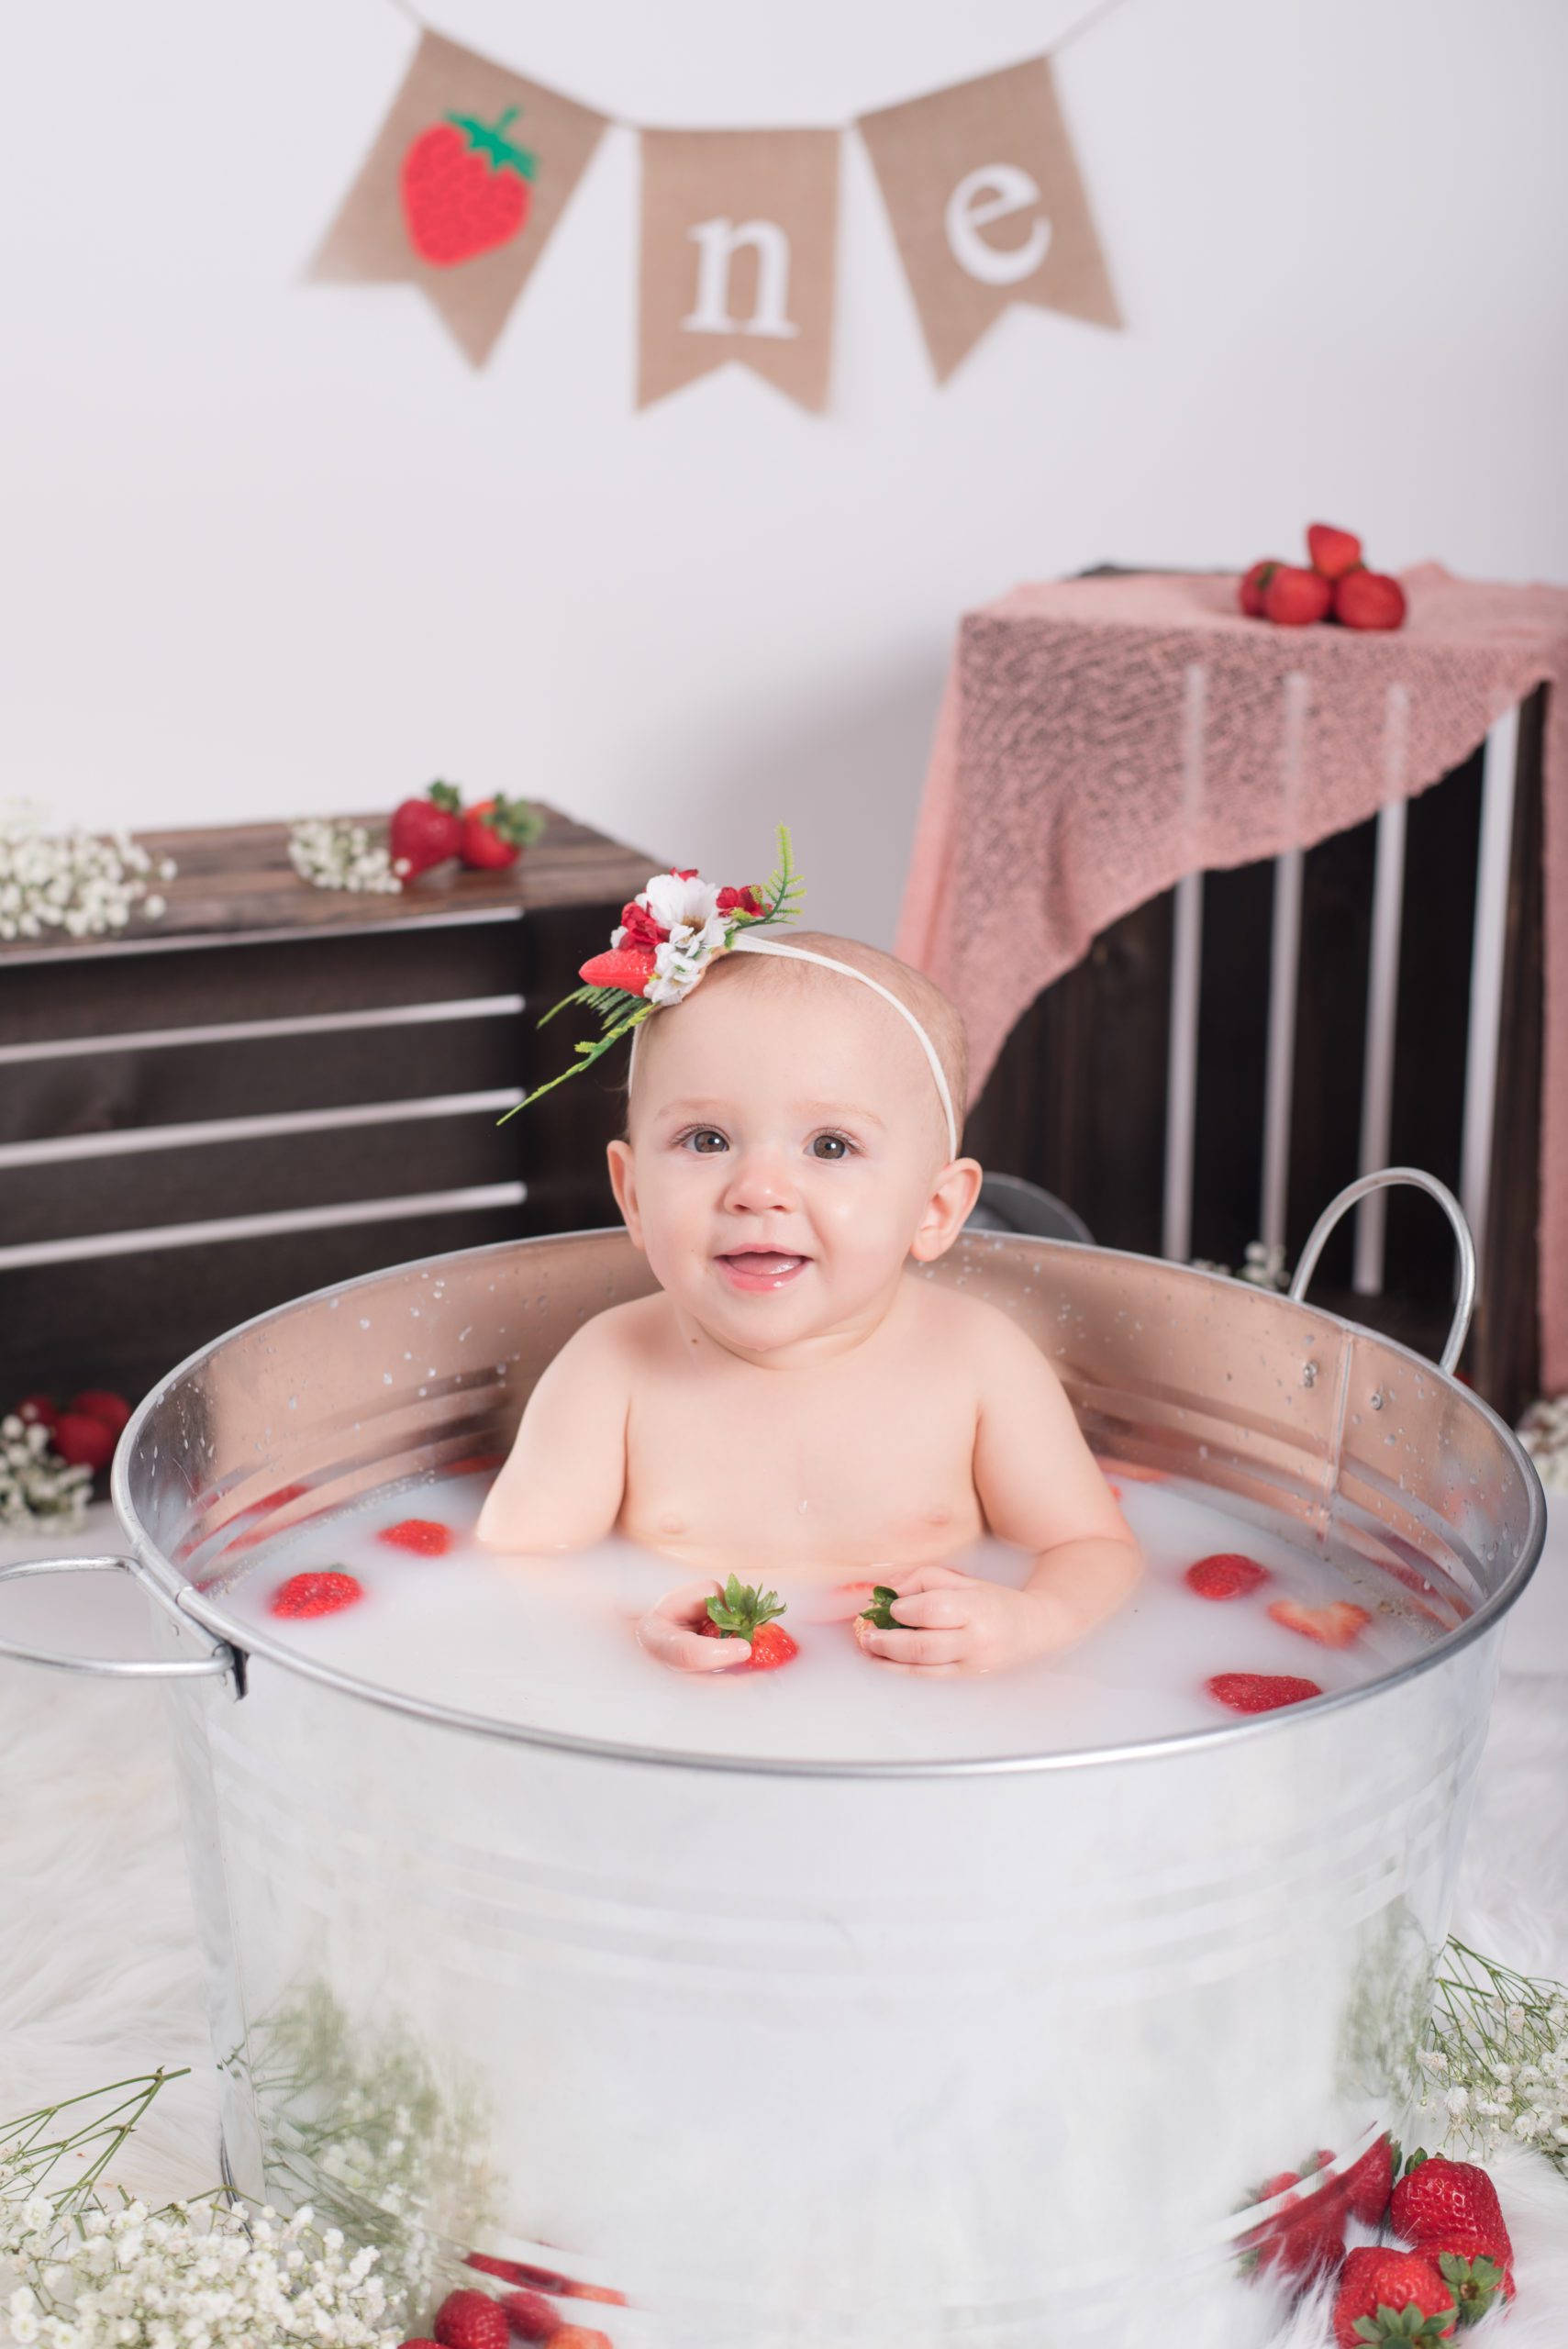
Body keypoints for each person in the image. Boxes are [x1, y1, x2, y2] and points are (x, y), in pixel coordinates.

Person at [476, 848, 1140, 1675]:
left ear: (934, 1211)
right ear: (634, 1193)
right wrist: (626, 1626)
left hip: (928, 1720)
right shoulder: (611, 1369)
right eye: (705, 1140)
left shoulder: (977, 1360)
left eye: (830, 1145)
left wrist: (1032, 1621)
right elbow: (513, 1569)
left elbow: (1090, 1547)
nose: (758, 1190)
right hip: (689, 1722)